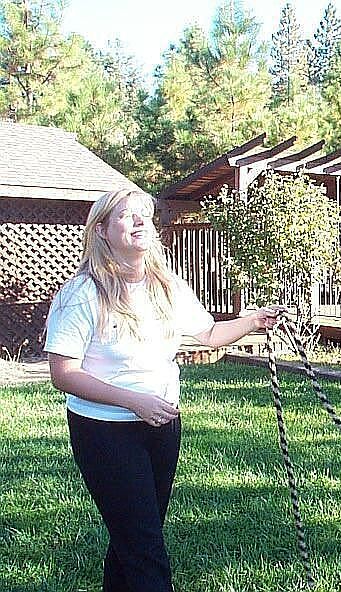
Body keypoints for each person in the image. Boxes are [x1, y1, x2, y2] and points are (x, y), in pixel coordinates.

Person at [44, 188, 281, 592]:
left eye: (145, 215)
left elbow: (208, 333)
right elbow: (64, 373)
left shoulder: (165, 284)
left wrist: (254, 320)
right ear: (101, 230)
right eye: (126, 215)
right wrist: (133, 401)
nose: (140, 221)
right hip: (105, 432)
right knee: (144, 548)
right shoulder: (81, 293)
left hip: (163, 425)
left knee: (134, 537)